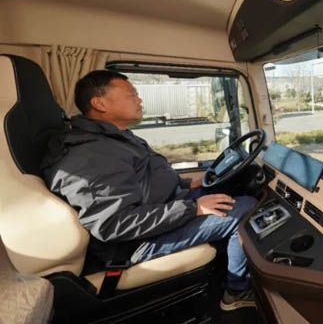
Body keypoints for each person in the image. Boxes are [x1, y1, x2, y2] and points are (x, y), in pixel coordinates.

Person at [41, 70, 257, 310]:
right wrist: (193, 208)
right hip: (136, 242)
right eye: (131, 94)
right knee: (246, 209)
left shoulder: (114, 137)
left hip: (163, 208)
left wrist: (187, 184)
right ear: (100, 103)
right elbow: (115, 223)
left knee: (229, 190)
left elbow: (145, 176)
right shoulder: (91, 155)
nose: (139, 99)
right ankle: (236, 291)